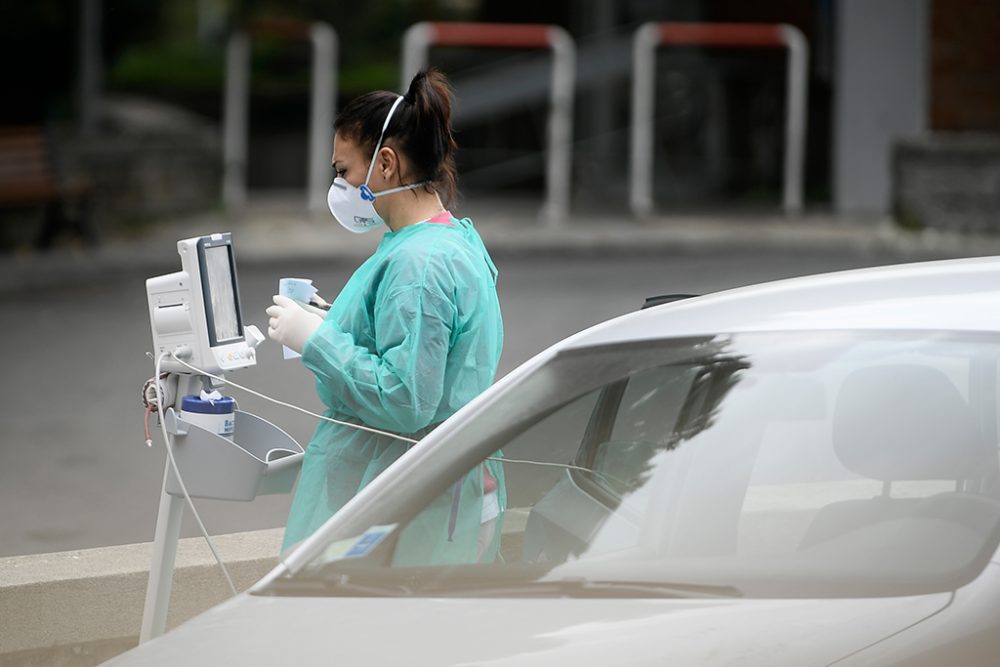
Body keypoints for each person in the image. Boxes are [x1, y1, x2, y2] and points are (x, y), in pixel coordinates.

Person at [266, 69, 505, 562]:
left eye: (344, 170)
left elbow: (407, 398)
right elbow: (423, 342)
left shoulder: (419, 264)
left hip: (413, 503)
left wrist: (318, 341)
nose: (340, 184)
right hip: (434, 490)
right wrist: (337, 320)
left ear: (387, 164)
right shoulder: (443, 238)